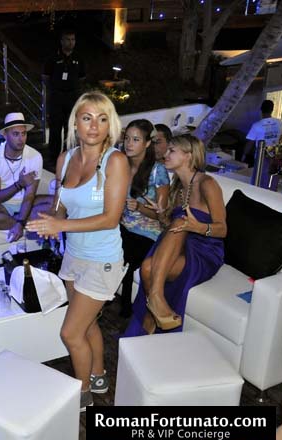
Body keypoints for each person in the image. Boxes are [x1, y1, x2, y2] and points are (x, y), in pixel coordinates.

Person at [26, 92, 129, 411]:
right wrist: (49, 219)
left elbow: (111, 218)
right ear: (75, 123)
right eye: (87, 118)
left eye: (102, 119)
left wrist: (61, 225)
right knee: (87, 323)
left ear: (110, 125)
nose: (94, 126)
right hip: (74, 256)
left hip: (103, 260)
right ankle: (98, 376)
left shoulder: (115, 161)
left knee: (71, 333)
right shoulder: (65, 159)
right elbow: (61, 204)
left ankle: (82, 396)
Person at [122, 134, 226, 337]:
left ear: (189, 155)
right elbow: (168, 227)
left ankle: (154, 300)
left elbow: (222, 229)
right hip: (177, 244)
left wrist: (197, 227)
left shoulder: (207, 184)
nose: (165, 154)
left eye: (172, 151)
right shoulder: (177, 189)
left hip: (204, 249)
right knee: (147, 267)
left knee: (178, 226)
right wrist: (160, 214)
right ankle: (152, 317)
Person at [118, 119, 170, 317]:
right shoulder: (120, 164)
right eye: (127, 138)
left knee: (126, 252)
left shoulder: (158, 171)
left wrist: (139, 207)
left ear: (147, 143)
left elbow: (162, 214)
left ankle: (126, 309)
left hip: (148, 232)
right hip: (122, 226)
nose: (129, 144)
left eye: (136, 139)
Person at [0, 112, 53, 243]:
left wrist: (21, 220)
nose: (21, 139)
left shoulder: (35, 156)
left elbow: (30, 196)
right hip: (2, 206)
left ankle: (20, 222)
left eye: (23, 134)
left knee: (57, 203)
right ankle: (27, 224)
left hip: (26, 204)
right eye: (15, 134)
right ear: (5, 135)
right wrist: (19, 184)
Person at [42, 28, 86, 164]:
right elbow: (45, 77)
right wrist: (56, 88)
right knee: (55, 129)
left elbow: (82, 78)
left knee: (70, 129)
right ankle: (53, 158)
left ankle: (68, 156)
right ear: (61, 41)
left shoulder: (79, 58)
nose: (71, 42)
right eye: (68, 39)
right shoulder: (53, 58)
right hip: (57, 98)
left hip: (72, 98)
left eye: (73, 39)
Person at [242, 99, 282, 166]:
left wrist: (244, 155)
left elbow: (250, 143)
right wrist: (274, 144)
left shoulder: (257, 125)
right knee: (271, 170)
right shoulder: (279, 122)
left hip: (260, 157)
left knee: (259, 171)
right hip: (274, 156)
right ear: (272, 110)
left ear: (261, 109)